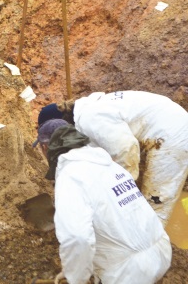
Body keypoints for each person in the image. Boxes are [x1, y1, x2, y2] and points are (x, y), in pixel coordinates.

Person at [38, 122, 171, 284]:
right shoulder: (112, 166)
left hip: (128, 273)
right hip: (161, 252)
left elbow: (77, 238)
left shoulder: (71, 175)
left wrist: (76, 278)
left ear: (45, 148)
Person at [53, 91, 188, 226]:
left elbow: (126, 149)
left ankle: (152, 242)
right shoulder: (89, 111)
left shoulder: (90, 119)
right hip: (167, 124)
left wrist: (122, 187)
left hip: (171, 134)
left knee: (156, 201)